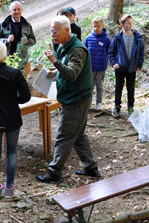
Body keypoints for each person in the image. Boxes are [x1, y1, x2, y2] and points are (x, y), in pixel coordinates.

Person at [36, 16, 100, 183]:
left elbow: (72, 73)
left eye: (55, 31)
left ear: (67, 30)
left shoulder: (77, 50)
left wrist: (55, 62)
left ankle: (54, 172)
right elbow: (67, 68)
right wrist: (54, 71)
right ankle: (91, 167)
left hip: (77, 99)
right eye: (51, 31)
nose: (52, 35)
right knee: (77, 134)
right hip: (73, 97)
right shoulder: (63, 46)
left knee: (64, 135)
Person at [0, 40, 31, 198]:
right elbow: (26, 96)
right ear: (4, 55)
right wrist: (12, 101)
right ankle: (9, 189)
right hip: (12, 118)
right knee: (12, 153)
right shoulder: (15, 73)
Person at [108, 14, 144, 119]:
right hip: (120, 68)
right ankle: (117, 107)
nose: (130, 25)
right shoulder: (118, 37)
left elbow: (141, 52)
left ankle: (130, 107)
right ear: (122, 24)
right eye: (127, 23)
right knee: (118, 88)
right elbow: (111, 52)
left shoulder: (137, 37)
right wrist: (114, 63)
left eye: (131, 23)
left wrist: (139, 65)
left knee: (131, 88)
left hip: (132, 68)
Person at [0, 1, 36, 69]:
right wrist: (7, 40)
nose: (17, 12)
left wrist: (27, 41)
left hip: (22, 59)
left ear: (21, 11)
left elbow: (33, 40)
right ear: (10, 11)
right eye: (14, 10)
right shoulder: (4, 24)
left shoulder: (27, 25)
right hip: (7, 59)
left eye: (18, 9)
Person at [83, 17, 111, 111]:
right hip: (90, 67)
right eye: (94, 26)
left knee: (99, 86)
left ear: (103, 26)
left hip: (101, 67)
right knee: (89, 86)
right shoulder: (89, 38)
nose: (96, 28)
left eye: (98, 26)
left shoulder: (106, 39)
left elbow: (109, 51)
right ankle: (88, 103)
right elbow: (84, 51)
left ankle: (99, 103)